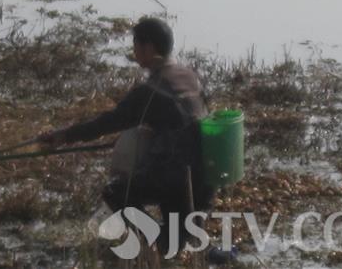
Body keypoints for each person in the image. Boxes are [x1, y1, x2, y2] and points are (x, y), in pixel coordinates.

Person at [38, 17, 231, 261]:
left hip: (176, 180)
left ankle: (158, 241)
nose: (134, 51)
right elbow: (188, 121)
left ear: (148, 48)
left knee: (116, 192)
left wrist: (63, 136)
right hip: (206, 178)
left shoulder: (150, 91)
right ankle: (179, 244)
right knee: (184, 240)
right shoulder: (191, 76)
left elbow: (108, 122)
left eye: (135, 45)